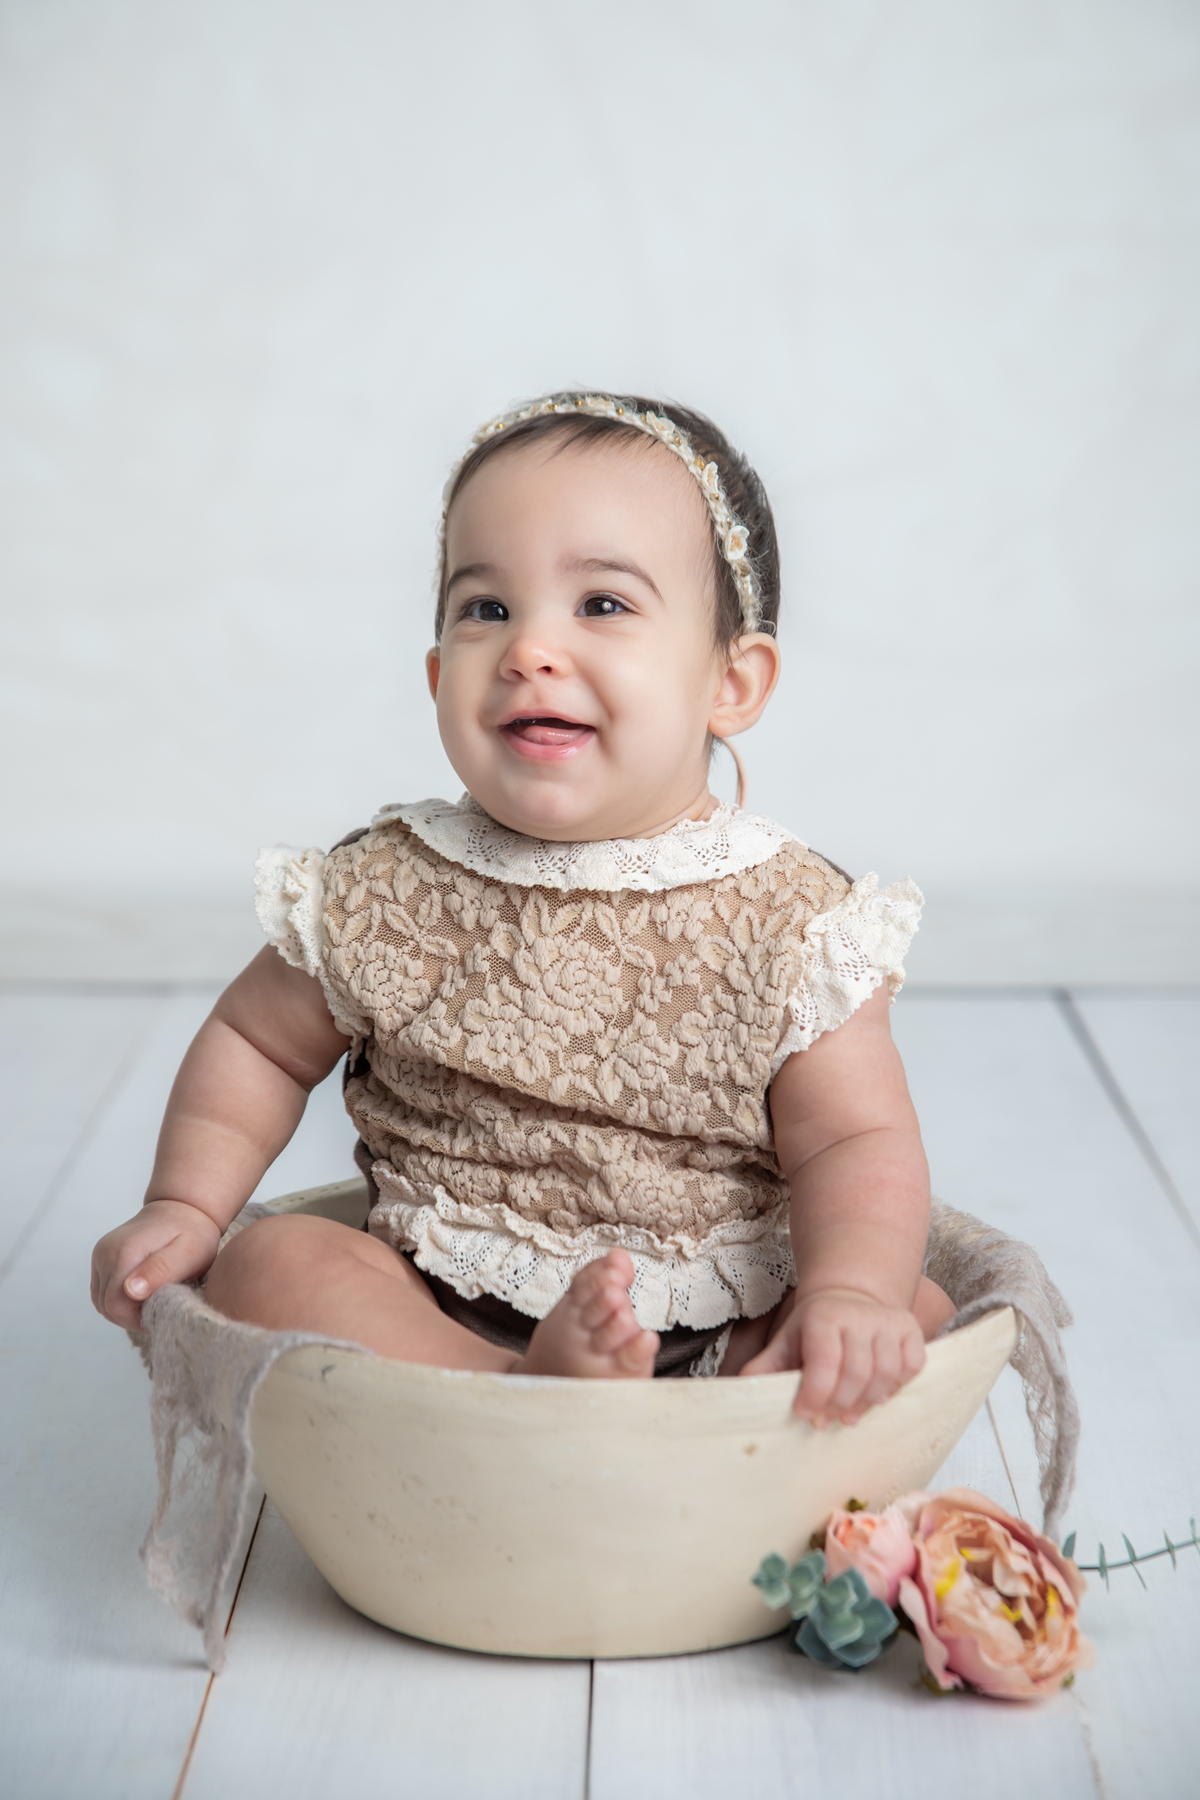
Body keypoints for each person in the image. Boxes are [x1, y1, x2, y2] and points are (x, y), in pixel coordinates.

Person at [90, 392, 955, 1426]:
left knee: (914, 1305)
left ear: (731, 682)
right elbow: (258, 1046)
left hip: (715, 1309)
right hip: (434, 1306)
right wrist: (187, 1202)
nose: (529, 649)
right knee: (267, 1262)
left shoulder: (787, 921)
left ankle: (704, 1412)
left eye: (603, 604)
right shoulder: (389, 887)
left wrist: (850, 1292)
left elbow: (852, 1143)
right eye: (486, 609)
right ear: (435, 675)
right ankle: (517, 1392)